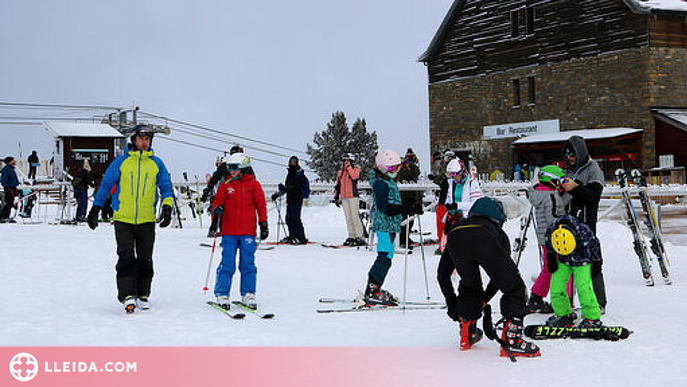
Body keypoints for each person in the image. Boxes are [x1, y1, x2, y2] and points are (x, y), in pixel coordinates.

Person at [87, 124, 174, 313]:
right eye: (141, 139)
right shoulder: (121, 162)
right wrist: (96, 208)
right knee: (126, 257)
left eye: (147, 139)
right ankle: (127, 295)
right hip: (123, 219)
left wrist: (167, 207)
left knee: (145, 259)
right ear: (134, 139)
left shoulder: (157, 163)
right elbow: (106, 185)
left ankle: (143, 294)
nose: (144, 142)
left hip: (146, 220)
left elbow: (166, 187)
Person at [437, 197, 540, 357]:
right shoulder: (497, 232)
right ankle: (512, 340)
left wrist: (452, 305)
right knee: (515, 287)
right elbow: (503, 276)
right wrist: (485, 299)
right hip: (487, 239)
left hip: (458, 240)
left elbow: (443, 274)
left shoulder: (456, 229)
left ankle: (467, 331)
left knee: (470, 284)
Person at [363, 149, 422, 306]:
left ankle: (375, 288)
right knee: (384, 258)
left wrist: (409, 206)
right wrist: (405, 208)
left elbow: (393, 203)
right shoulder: (381, 183)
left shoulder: (386, 181)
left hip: (389, 225)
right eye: (391, 168)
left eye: (396, 167)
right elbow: (385, 208)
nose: (394, 171)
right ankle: (372, 290)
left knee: (387, 257)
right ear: (382, 168)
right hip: (384, 225)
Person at [211, 153, 268, 310]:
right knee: (227, 263)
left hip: (247, 232)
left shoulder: (254, 185)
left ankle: (248, 293)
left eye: (234, 168)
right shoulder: (226, 184)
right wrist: (217, 208)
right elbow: (216, 202)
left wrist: (263, 223)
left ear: (243, 168)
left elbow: (261, 205)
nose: (231, 171)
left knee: (248, 263)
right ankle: (222, 293)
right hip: (229, 231)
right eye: (229, 168)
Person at [560, 135, 607, 313]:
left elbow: (594, 196)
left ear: (580, 152)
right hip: (567, 225)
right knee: (567, 263)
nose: (569, 157)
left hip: (586, 224)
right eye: (566, 154)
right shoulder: (567, 171)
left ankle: (599, 302)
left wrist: (575, 187)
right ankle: (568, 302)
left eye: (572, 153)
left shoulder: (593, 169)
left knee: (593, 262)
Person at [525, 165, 572, 314]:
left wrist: (567, 194)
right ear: (551, 180)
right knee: (565, 268)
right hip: (556, 239)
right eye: (558, 181)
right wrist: (567, 222)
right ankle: (564, 301)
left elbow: (554, 204)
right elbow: (554, 217)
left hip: (545, 238)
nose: (560, 184)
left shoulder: (541, 194)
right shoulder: (551, 196)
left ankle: (536, 298)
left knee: (548, 269)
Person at [544, 215, 603, 328]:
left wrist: (598, 262)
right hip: (563, 260)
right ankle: (564, 315)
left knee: (584, 288)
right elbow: (549, 244)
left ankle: (592, 317)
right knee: (556, 286)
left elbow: (595, 245)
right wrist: (551, 258)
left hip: (582, 261)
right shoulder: (552, 230)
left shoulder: (583, 232)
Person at [438, 157, 482, 252]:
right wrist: (448, 205)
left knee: (464, 249)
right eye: (450, 174)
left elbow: (475, 204)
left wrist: (457, 205)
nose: (453, 177)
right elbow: (448, 199)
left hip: (466, 219)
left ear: (461, 172)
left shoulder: (472, 183)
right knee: (448, 249)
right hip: (452, 219)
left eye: (454, 174)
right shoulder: (451, 183)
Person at [270, 156, 307, 245]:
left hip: (297, 199)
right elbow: (287, 189)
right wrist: (277, 194)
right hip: (290, 200)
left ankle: (301, 238)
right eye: (291, 162)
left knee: (296, 219)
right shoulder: (289, 174)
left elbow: (297, 188)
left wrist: (286, 188)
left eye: (294, 162)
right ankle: (292, 236)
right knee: (289, 219)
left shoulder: (300, 174)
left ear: (297, 163)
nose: (293, 164)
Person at [334, 153, 365, 246]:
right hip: (344, 197)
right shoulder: (340, 172)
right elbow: (338, 185)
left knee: (355, 216)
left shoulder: (355, 169)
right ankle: (351, 235)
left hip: (353, 196)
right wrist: (336, 196)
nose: (346, 162)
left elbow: (354, 176)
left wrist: (348, 168)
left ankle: (359, 236)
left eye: (348, 160)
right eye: (344, 161)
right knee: (348, 218)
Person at [397, 148, 421, 249]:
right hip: (404, 197)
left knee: (411, 220)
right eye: (407, 158)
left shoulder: (410, 168)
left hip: (411, 197)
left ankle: (406, 237)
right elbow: (414, 173)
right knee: (405, 219)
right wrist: (408, 164)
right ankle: (403, 239)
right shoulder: (402, 169)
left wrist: (411, 164)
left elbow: (416, 172)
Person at [201, 156, 229, 237]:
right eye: (218, 163)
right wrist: (208, 192)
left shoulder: (227, 172)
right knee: (216, 213)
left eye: (221, 163)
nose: (219, 165)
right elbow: (213, 184)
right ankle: (214, 230)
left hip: (225, 195)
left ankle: (222, 230)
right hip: (218, 195)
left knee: (224, 214)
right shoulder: (217, 173)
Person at [0, 156, 20, 223]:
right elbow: (3, 180)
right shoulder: (6, 169)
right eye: (13, 160)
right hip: (8, 188)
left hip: (13, 188)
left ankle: (7, 216)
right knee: (8, 203)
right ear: (9, 162)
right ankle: (3, 217)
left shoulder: (12, 169)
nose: (14, 161)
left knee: (11, 203)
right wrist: (7, 187)